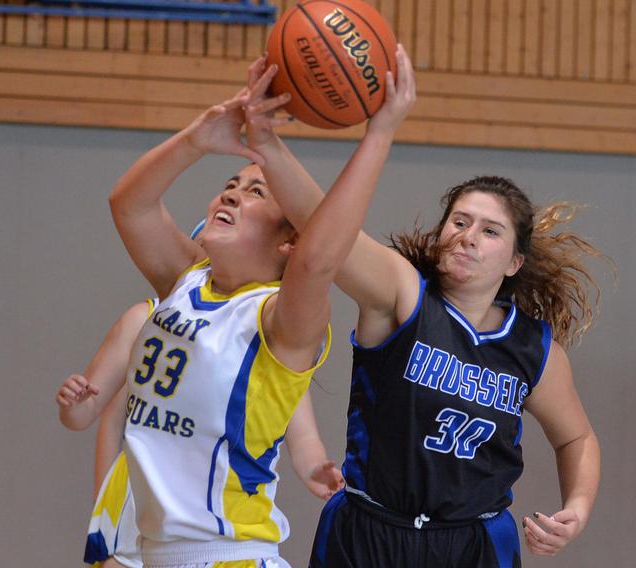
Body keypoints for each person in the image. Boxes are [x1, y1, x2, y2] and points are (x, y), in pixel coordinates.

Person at [241, 46, 601, 567]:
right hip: (371, 531)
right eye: (459, 221)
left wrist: (579, 506)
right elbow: (326, 230)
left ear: (515, 262)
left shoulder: (532, 347)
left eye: (489, 230)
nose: (468, 235)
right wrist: (268, 146)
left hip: (473, 542)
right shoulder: (401, 293)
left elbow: (578, 438)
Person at [55, 43, 412, 567]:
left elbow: (319, 261)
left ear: (289, 241)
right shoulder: (185, 281)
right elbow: (129, 204)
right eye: (229, 184)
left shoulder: (278, 319)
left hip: (229, 554)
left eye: (254, 193)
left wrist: (379, 135)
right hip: (154, 554)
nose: (230, 195)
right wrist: (197, 138)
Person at [56, 299, 343, 568]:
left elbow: (303, 435)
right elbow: (109, 420)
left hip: (219, 524)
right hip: (142, 506)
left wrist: (315, 467)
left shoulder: (271, 335)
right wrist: (106, 519)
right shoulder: (148, 318)